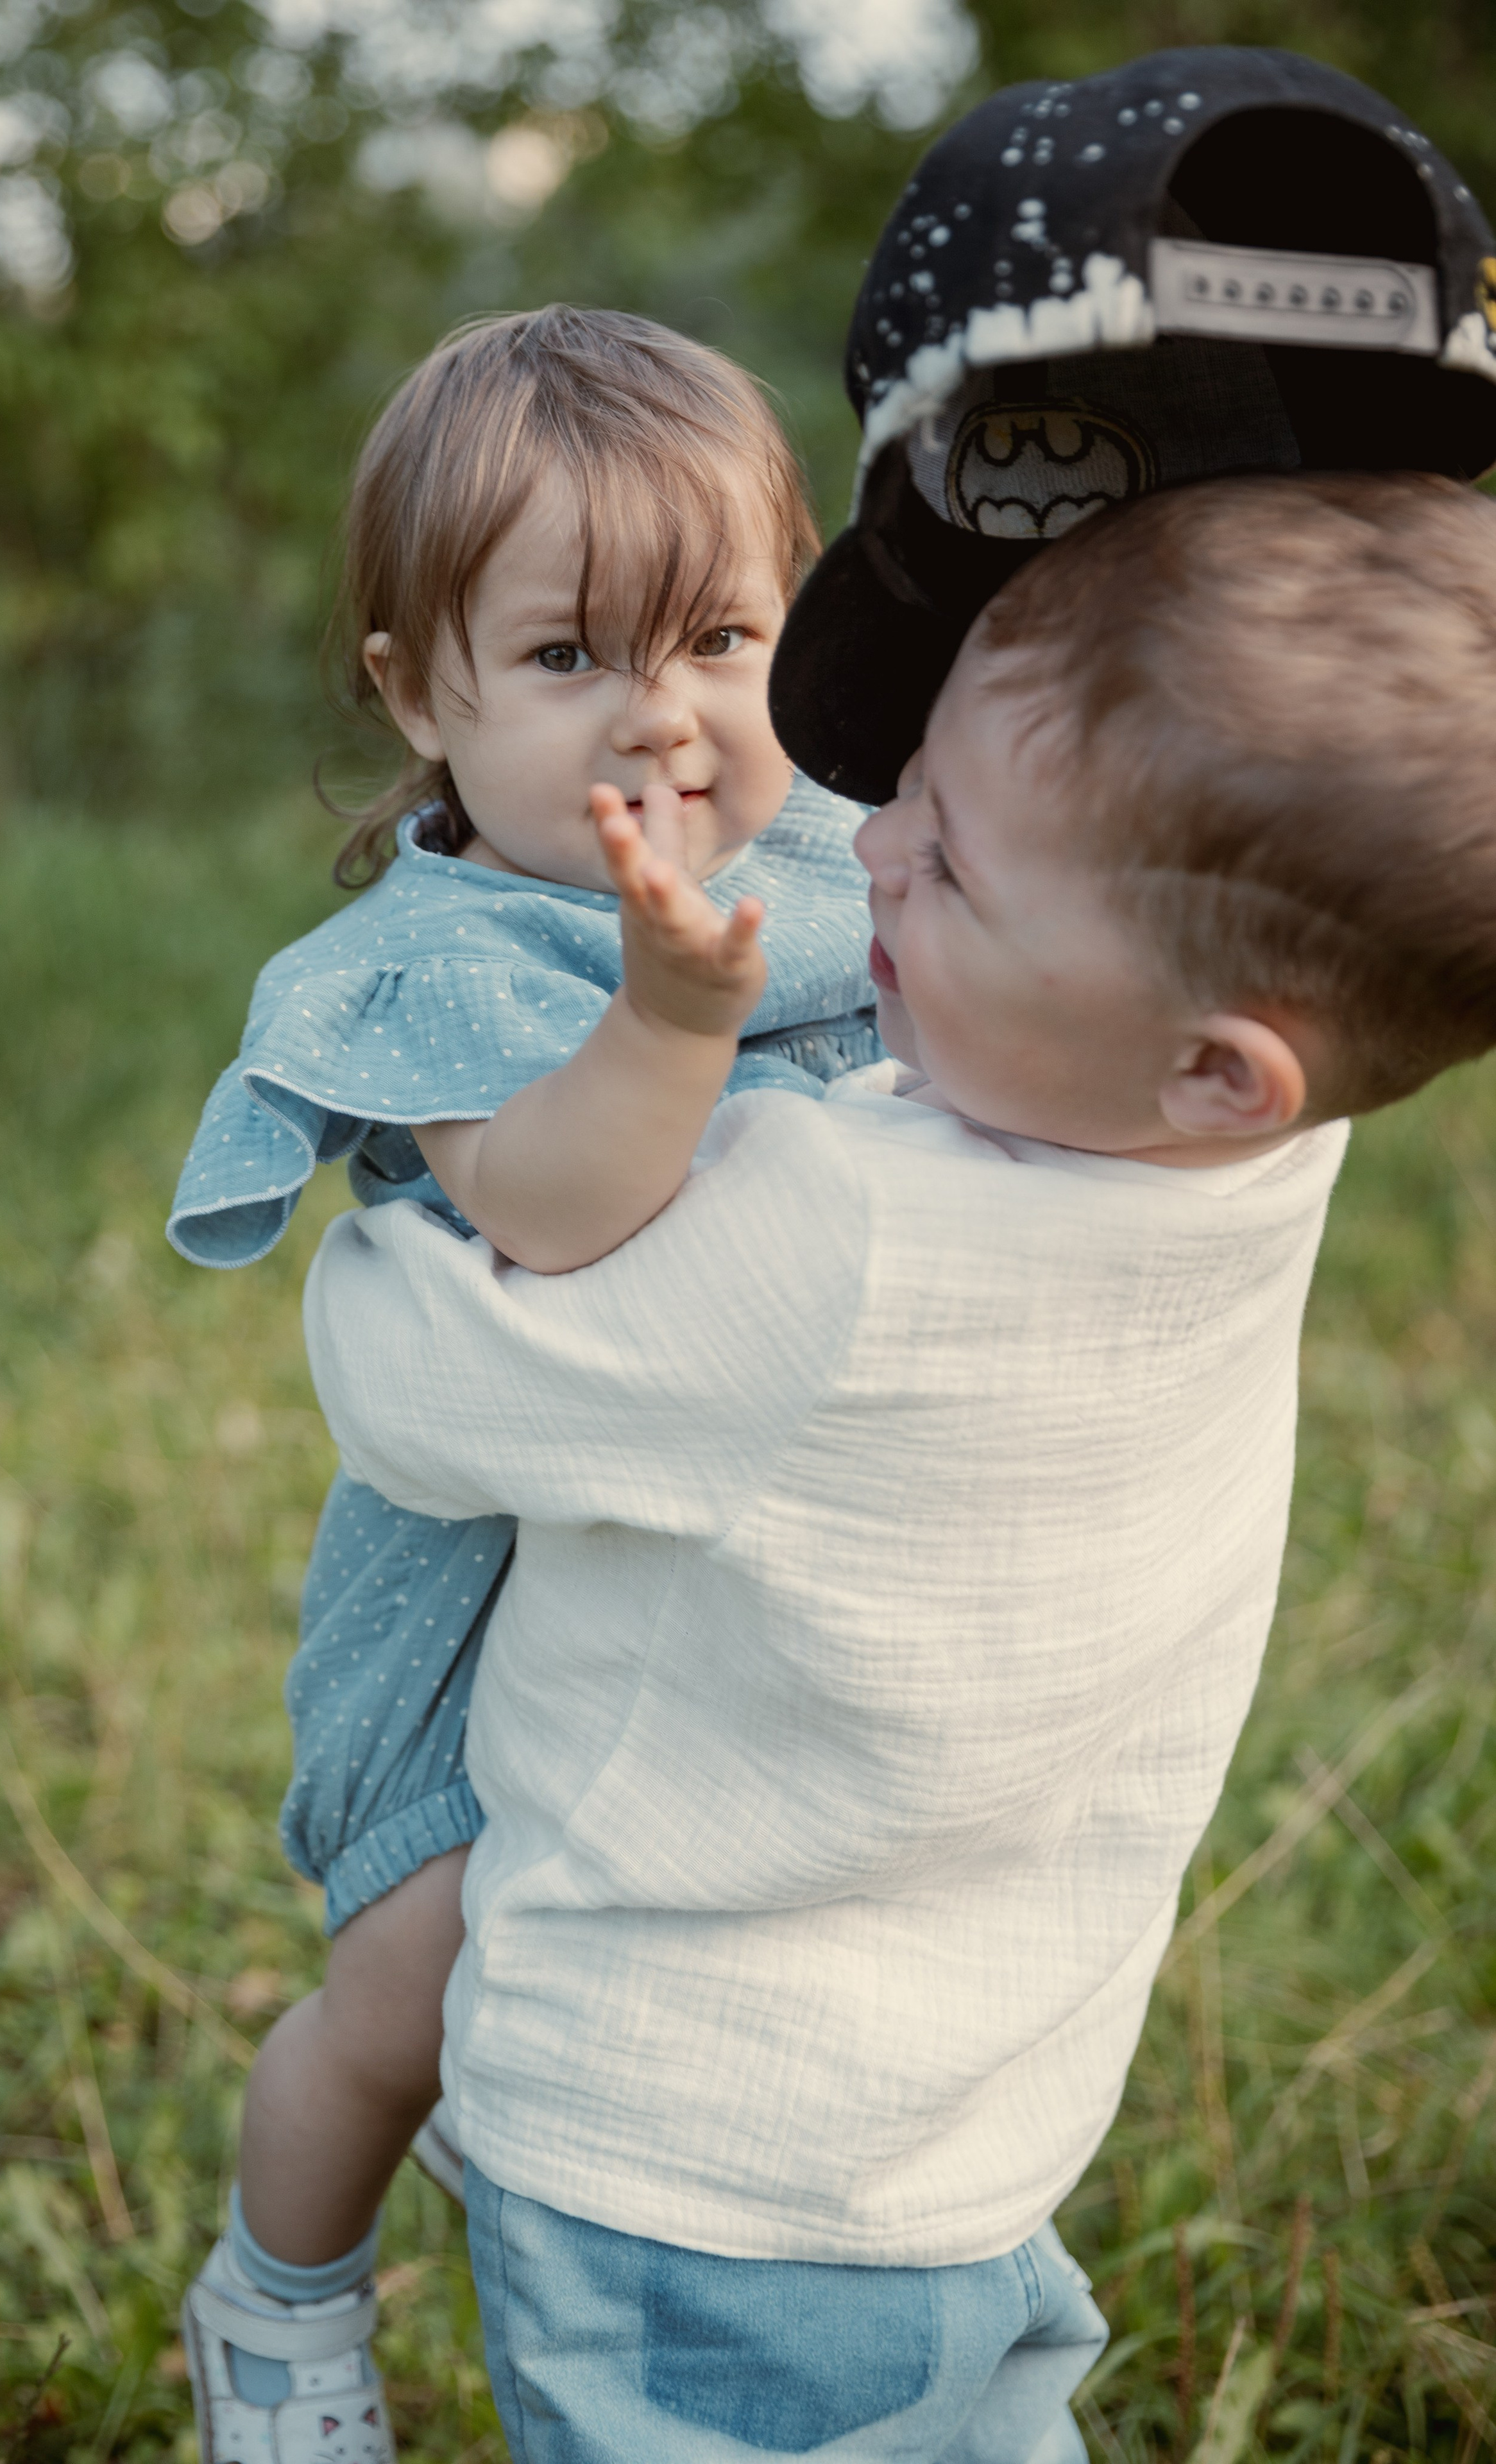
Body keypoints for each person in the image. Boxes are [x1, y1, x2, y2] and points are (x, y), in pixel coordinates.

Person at [302, 470, 1496, 2461]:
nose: (876, 866)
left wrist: (455, 1137)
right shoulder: (1271, 1158)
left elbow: (407, 1374)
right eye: (904, 796)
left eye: (947, 869)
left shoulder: (819, 1230)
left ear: (1215, 1058)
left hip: (685, 2150)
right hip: (984, 2111)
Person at [170, 304, 887, 2456]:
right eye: (572, 656)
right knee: (411, 1986)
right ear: (419, 690)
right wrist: (668, 1021)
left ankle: (549, 2122)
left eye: (726, 641)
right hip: (489, 1602)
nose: (666, 718)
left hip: (752, 1568)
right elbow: (557, 1216)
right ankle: (280, 2307)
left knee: (708, 1949)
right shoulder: (438, 956)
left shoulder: (857, 848)